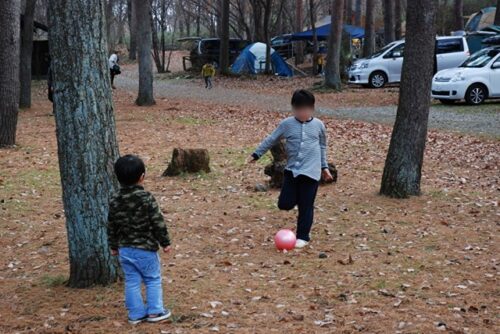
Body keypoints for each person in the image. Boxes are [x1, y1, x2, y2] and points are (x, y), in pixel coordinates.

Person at [248, 89, 333, 248]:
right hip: (292, 171)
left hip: (311, 173)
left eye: (306, 109)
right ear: (293, 108)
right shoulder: (286, 124)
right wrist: (256, 154)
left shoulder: (319, 125)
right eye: (299, 109)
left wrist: (324, 167)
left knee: (306, 206)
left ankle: (303, 236)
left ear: (312, 109)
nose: (302, 112)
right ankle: (294, 200)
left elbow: (322, 147)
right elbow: (271, 139)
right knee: (284, 204)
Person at [107, 155, 172, 324]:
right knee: (152, 279)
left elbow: (111, 225)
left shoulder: (114, 200)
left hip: (125, 250)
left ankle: (135, 314)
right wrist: (165, 242)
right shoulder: (146, 198)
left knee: (132, 281)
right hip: (145, 249)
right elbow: (157, 221)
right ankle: (155, 311)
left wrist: (113, 246)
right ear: (142, 177)